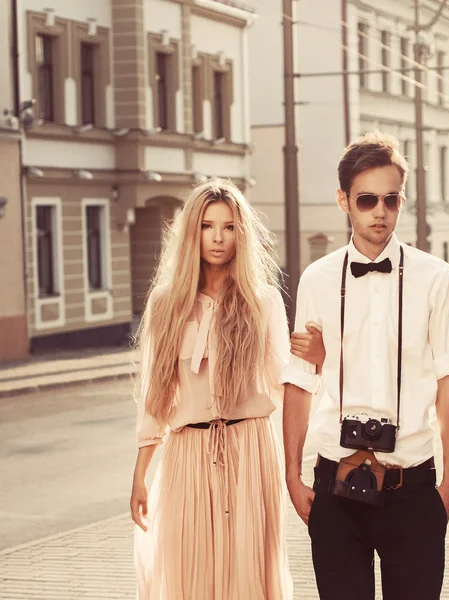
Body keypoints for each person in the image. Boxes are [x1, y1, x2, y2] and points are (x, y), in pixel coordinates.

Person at [280, 132, 449, 600]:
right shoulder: (317, 278)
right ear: (344, 200)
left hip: (412, 484)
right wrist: (291, 474)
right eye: (367, 199)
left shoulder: (437, 277)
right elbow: (300, 382)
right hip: (335, 484)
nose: (380, 211)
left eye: (391, 199)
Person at [130, 179, 317, 600]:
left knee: (246, 573)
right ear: (191, 232)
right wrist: (140, 475)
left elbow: (285, 384)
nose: (217, 237)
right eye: (207, 226)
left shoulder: (262, 300)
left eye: (229, 227)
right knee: (186, 568)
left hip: (249, 451)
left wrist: (298, 465)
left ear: (242, 234)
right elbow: (154, 396)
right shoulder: (165, 304)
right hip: (187, 454)